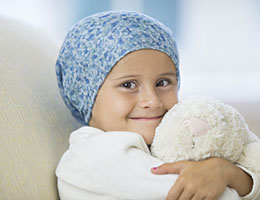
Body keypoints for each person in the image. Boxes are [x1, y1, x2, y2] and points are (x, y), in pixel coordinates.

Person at [55, 11, 260, 200]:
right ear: (85, 93)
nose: (152, 100)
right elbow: (216, 194)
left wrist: (226, 171)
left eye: (163, 83)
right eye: (128, 85)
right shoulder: (99, 155)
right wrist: (227, 173)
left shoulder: (160, 145)